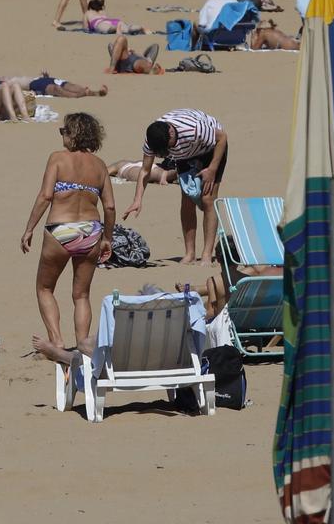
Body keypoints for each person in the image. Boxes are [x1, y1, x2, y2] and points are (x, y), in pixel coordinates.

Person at [21, 112, 116, 363]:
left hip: (60, 230)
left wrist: (29, 228)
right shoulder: (100, 166)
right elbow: (109, 207)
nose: (62, 134)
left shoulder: (57, 159)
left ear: (74, 134)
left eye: (64, 130)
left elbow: (45, 196)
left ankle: (57, 342)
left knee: (44, 287)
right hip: (91, 230)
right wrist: (107, 237)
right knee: (81, 295)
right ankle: (83, 346)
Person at [126, 109, 228, 263]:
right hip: (185, 155)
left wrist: (212, 169)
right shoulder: (152, 140)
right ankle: (190, 254)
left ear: (171, 133)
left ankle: (207, 254)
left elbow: (222, 138)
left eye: (167, 149)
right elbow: (145, 170)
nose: (165, 153)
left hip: (211, 149)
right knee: (187, 200)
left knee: (208, 198)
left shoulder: (193, 129)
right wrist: (137, 199)